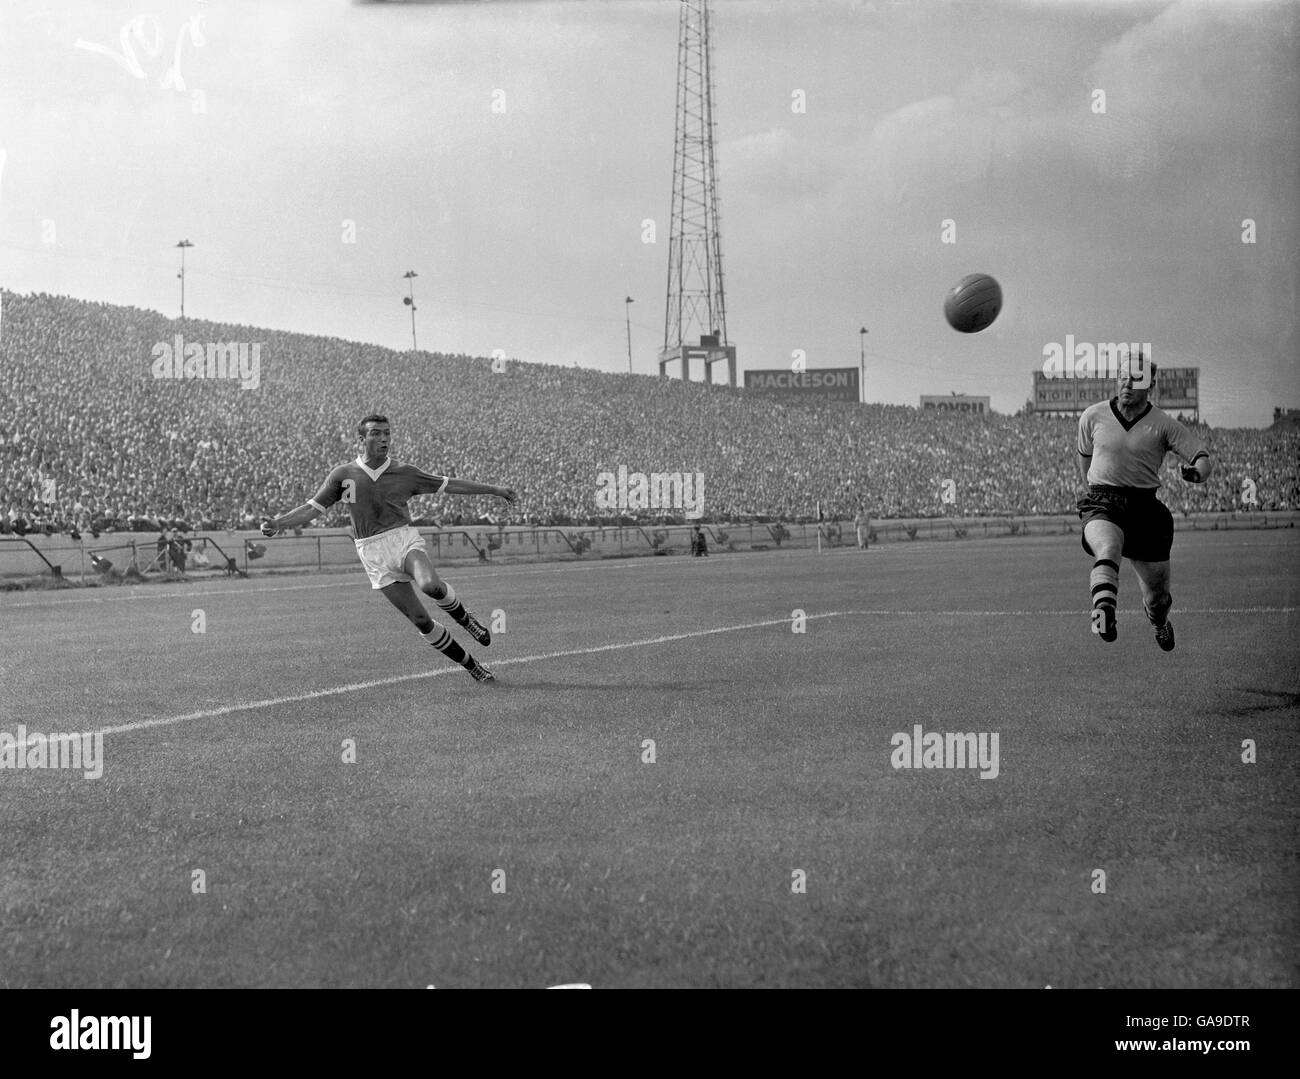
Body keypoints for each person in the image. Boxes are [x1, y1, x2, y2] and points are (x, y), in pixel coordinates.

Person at [259, 414, 517, 682]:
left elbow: (449, 484)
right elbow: (313, 508)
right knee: (421, 620)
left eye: (387, 433)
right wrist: (279, 522)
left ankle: (465, 619)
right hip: (371, 553)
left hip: (402, 539)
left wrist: (495, 490)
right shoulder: (343, 475)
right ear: (361, 439)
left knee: (431, 586)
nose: (384, 439)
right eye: (376, 434)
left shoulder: (406, 473)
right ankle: (471, 665)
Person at [1075, 349, 1211, 650]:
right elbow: (1084, 460)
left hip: (1145, 509)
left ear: (1150, 385)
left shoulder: (1163, 424)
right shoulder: (1093, 416)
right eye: (1122, 377)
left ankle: (1160, 623)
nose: (1126, 383)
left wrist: (1198, 473)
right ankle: (1102, 618)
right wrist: (1091, 489)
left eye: (1135, 379)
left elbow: (1201, 456)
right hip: (1103, 501)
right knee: (1107, 547)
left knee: (1157, 598)